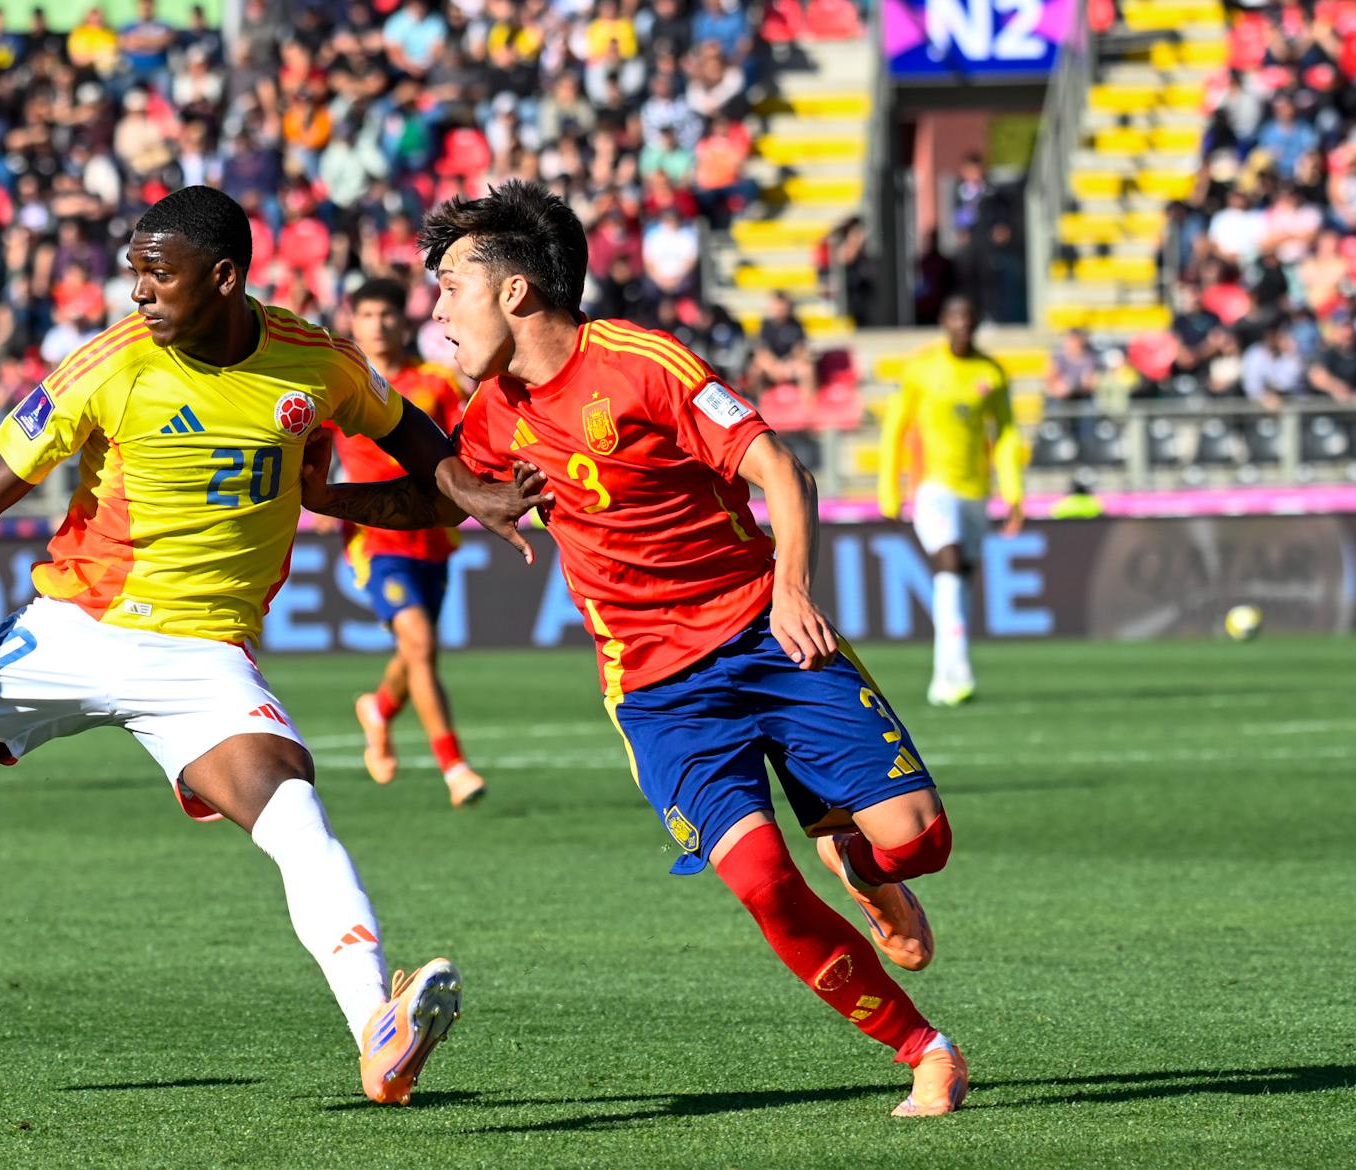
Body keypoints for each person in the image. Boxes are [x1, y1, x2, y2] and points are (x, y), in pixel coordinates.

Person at [0, 187, 535, 1105]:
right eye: (135, 275)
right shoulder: (109, 364)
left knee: (295, 816)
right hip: (69, 629)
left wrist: (469, 491)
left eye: (159, 276)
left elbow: (408, 433)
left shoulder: (314, 362)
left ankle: (377, 1031)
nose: (139, 296)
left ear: (225, 278)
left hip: (203, 660)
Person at [299, 180, 968, 1117]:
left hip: (764, 632)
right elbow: (433, 500)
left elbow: (780, 467)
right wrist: (321, 499)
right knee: (765, 882)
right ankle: (925, 1049)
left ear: (517, 293)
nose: (436, 310)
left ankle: (859, 854)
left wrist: (792, 590)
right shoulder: (492, 410)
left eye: (450, 284)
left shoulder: (642, 364)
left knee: (922, 844)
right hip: (658, 690)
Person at [328, 278, 487, 807]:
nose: (378, 324)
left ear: (404, 321)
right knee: (420, 645)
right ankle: (454, 766)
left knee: (413, 650)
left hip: (434, 537)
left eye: (387, 314)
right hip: (375, 540)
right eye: (367, 314)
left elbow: (472, 437)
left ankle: (379, 709)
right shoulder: (339, 385)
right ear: (354, 321)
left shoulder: (435, 382)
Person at [877, 297, 1026, 707]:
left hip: (975, 491)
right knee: (949, 558)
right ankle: (956, 672)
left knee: (960, 578)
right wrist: (890, 492)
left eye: (970, 318)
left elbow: (1007, 435)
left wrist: (1013, 494)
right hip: (932, 487)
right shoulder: (922, 369)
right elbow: (895, 429)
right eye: (956, 317)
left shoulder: (990, 374)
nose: (963, 325)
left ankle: (945, 674)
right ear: (944, 321)